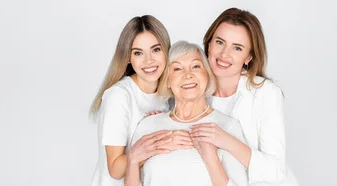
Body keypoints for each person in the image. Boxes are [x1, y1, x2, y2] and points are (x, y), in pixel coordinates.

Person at [190, 7, 299, 185]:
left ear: (248, 57)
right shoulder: (191, 88)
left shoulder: (266, 93)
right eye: (219, 42)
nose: (224, 54)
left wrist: (225, 140)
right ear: (209, 44)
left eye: (237, 48)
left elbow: (275, 170)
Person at [125, 41, 247, 186]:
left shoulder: (227, 126)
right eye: (177, 69)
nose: (187, 75)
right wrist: (132, 160)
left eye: (195, 66)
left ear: (207, 75)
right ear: (167, 80)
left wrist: (210, 157)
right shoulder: (148, 125)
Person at [90, 15, 190, 186]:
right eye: (138, 53)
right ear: (128, 57)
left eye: (156, 50)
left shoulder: (169, 96)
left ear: (166, 51)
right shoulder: (119, 96)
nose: (148, 60)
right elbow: (115, 169)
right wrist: (160, 142)